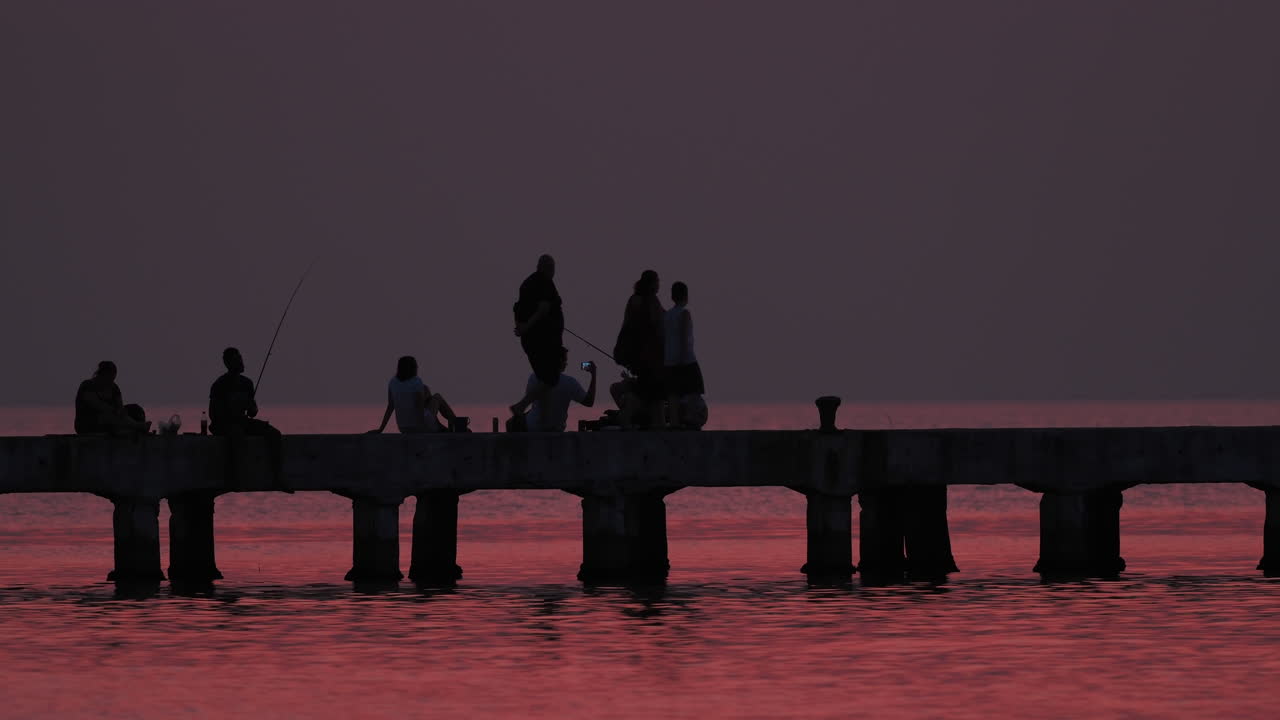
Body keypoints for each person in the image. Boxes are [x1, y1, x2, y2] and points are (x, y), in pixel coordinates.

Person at [209, 347, 290, 492]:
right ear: (228, 363)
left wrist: (251, 408)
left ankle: (278, 478)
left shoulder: (247, 383)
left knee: (274, 434)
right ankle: (235, 478)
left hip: (243, 422)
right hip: (225, 424)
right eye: (236, 359)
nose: (241, 362)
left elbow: (252, 413)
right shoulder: (219, 384)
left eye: (240, 358)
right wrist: (231, 409)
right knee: (236, 434)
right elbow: (213, 414)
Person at [510, 254, 564, 416]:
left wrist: (519, 327)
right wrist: (525, 327)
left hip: (531, 341)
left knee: (544, 379)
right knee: (551, 378)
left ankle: (544, 420)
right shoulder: (544, 283)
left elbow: (518, 308)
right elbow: (543, 309)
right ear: (548, 268)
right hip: (544, 340)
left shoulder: (526, 284)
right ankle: (521, 406)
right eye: (553, 268)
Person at [612, 269, 664, 428]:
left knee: (645, 390)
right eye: (657, 281)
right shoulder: (651, 301)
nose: (659, 285)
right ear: (652, 283)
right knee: (654, 395)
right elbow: (660, 323)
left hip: (634, 357)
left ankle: (638, 420)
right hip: (650, 357)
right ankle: (653, 424)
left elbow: (626, 325)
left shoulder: (633, 300)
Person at [371, 356, 459, 433]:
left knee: (425, 389)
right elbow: (419, 407)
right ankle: (457, 424)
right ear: (412, 368)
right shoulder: (416, 381)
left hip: (403, 428)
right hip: (420, 426)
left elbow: (390, 407)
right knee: (437, 397)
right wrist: (433, 426)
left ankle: (445, 426)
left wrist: (381, 429)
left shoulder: (393, 382)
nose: (417, 367)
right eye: (415, 365)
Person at [521, 347, 597, 432]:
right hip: (557, 428)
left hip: (533, 426)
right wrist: (593, 375)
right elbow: (589, 402)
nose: (566, 364)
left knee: (511, 422)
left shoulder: (534, 377)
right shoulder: (570, 382)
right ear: (560, 362)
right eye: (565, 361)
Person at [664, 281, 707, 429]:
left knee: (673, 394)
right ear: (685, 295)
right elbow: (684, 337)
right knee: (694, 391)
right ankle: (691, 419)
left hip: (669, 361)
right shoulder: (684, 313)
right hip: (686, 360)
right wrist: (683, 359)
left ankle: (675, 423)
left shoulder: (667, 315)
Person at [74, 361, 150, 435]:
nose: (111, 380)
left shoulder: (114, 388)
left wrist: (121, 412)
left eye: (113, 377)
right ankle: (137, 427)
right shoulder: (87, 386)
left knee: (135, 410)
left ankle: (132, 429)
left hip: (112, 418)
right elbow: (98, 406)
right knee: (110, 417)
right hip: (88, 423)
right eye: (109, 376)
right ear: (101, 374)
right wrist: (117, 412)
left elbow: (120, 407)